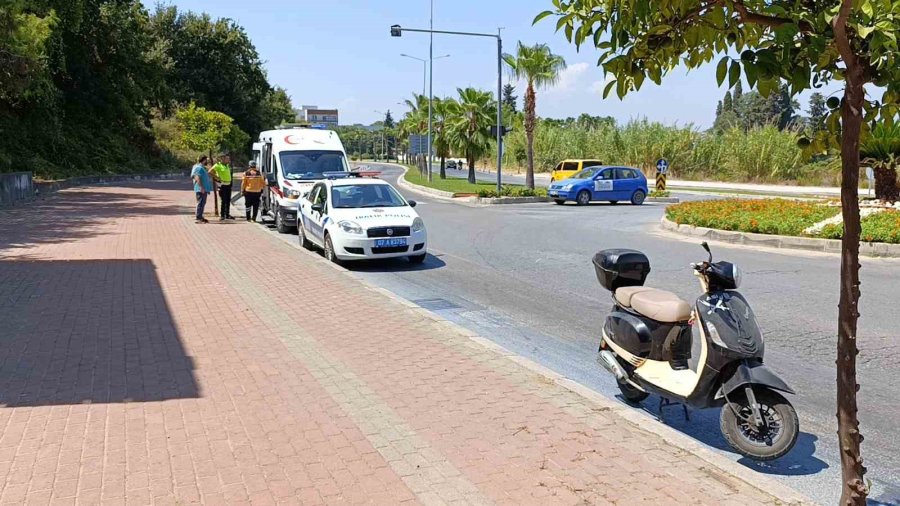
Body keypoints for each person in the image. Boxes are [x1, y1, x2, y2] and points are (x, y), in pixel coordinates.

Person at [191, 156, 213, 223]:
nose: (207, 162)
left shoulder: (202, 167)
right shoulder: (199, 167)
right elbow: (197, 177)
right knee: (200, 203)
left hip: (204, 189)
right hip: (200, 189)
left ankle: (200, 216)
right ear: (203, 160)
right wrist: (201, 187)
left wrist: (207, 189)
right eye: (206, 160)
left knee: (202, 203)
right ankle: (198, 217)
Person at [212, 155, 234, 220]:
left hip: (228, 184)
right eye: (227, 159)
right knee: (223, 200)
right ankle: (222, 215)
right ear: (223, 159)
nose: (229, 160)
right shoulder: (218, 165)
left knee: (228, 200)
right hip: (223, 185)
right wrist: (217, 177)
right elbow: (210, 171)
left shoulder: (227, 165)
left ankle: (227, 214)